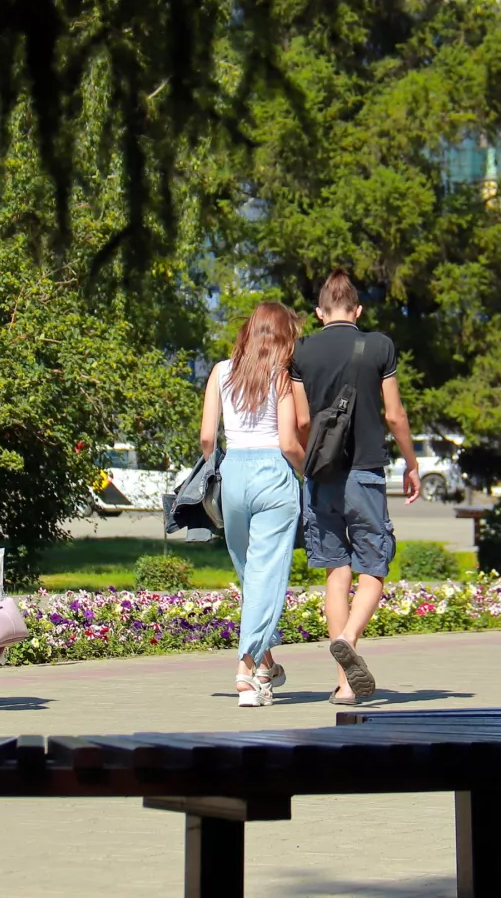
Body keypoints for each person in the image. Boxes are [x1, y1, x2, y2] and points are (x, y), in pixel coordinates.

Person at [291, 270, 420, 705]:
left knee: (335, 570)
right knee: (374, 566)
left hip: (320, 477)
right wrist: (412, 464)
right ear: (358, 310)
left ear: (319, 312)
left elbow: (303, 421)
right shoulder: (378, 346)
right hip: (365, 472)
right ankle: (349, 637)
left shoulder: (301, 351)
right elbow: (395, 414)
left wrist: (315, 458)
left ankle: (346, 684)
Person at [200, 302, 304, 707]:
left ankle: (266, 664)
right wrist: (307, 472)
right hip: (273, 473)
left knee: (250, 575)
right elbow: (289, 442)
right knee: (266, 575)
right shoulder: (282, 376)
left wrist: (215, 466)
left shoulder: (221, 371)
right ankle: (246, 672)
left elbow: (209, 438)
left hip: (233, 474)